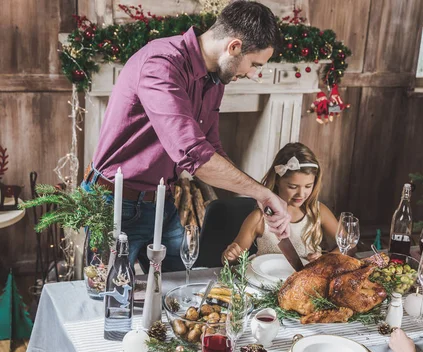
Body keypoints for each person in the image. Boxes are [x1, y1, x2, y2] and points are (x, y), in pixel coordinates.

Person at [83, 1, 291, 272]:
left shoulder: (214, 78)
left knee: (181, 288)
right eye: (254, 64)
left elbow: (211, 148)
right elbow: (197, 158)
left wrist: (256, 199)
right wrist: (263, 194)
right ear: (234, 47)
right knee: (108, 299)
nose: (252, 74)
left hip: (161, 201)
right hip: (112, 205)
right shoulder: (162, 64)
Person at [222, 142, 339, 263]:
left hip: (306, 280)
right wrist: (231, 255)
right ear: (278, 181)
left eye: (308, 186)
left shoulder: (319, 211)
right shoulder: (259, 217)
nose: (301, 194)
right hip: (265, 280)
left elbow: (349, 246)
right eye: (293, 187)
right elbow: (232, 260)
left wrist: (325, 259)